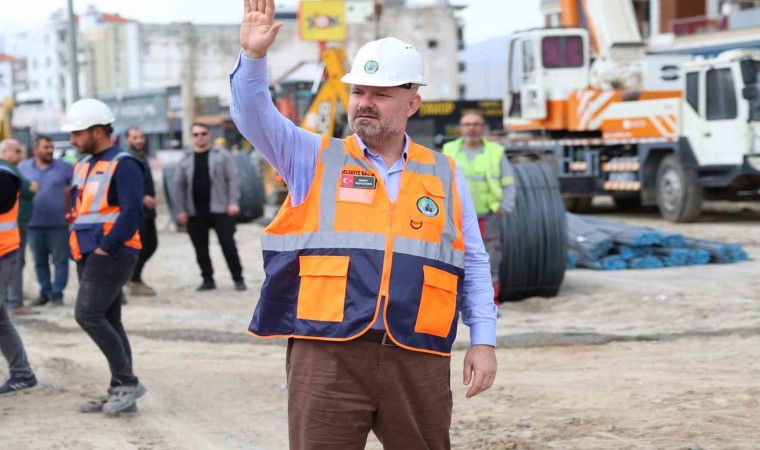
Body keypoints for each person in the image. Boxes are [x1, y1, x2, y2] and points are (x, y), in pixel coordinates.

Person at [232, 2, 497, 448]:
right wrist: (253, 59)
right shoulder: (312, 157)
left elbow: (471, 259)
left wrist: (483, 340)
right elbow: (252, 116)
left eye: (380, 94)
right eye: (358, 92)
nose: (364, 104)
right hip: (328, 351)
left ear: (412, 102)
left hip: (418, 351)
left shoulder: (445, 172)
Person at [63, 98, 146, 414]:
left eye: (77, 133)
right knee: (109, 318)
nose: (72, 140)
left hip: (112, 252)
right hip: (86, 252)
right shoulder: (83, 164)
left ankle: (127, 382)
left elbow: (132, 212)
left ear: (97, 131)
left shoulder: (124, 163)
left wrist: (105, 248)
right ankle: (120, 387)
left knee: (87, 315)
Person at [442, 112, 516, 302]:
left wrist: (503, 207)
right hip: (456, 216)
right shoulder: (449, 150)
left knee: (489, 259)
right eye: (467, 124)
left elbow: (508, 182)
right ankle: (458, 300)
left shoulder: (495, 152)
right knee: (455, 257)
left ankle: (490, 301)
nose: (471, 128)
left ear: (483, 128)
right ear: (461, 127)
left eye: (476, 124)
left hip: (488, 215)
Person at [173, 123, 246, 292]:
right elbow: (178, 186)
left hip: (220, 208)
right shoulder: (185, 159)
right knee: (200, 247)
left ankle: (238, 278)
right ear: (192, 137)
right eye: (196, 134)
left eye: (203, 133)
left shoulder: (223, 155)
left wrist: (233, 202)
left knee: (228, 244)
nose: (200, 137)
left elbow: (233, 179)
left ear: (209, 135)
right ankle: (207, 279)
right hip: (195, 211)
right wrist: (181, 210)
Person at [20, 136, 74, 308]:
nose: (50, 150)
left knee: (60, 260)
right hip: (33, 223)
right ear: (35, 150)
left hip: (59, 223)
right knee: (39, 261)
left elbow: (76, 191)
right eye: (45, 147)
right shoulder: (23, 168)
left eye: (51, 147)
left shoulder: (65, 168)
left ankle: (57, 294)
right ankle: (45, 292)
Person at [0, 163, 38, 394]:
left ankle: (23, 373)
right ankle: (23, 373)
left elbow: (3, 202)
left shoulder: (5, 176)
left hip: (3, 254)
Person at [0, 139, 39, 315]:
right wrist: (32, 187)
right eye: (16, 151)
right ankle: (14, 301)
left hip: (11, 230)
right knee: (16, 263)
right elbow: (27, 189)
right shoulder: (9, 171)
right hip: (11, 232)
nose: (20, 154)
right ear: (5, 152)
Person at [124, 127, 158, 297]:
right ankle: (132, 279)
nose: (139, 140)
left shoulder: (142, 157)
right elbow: (126, 186)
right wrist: (143, 197)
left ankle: (133, 277)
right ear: (127, 140)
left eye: (141, 137)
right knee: (139, 246)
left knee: (151, 244)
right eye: (135, 137)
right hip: (136, 211)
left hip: (148, 211)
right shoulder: (126, 159)